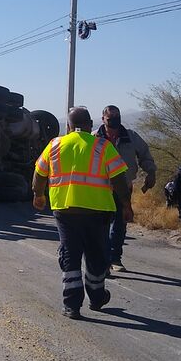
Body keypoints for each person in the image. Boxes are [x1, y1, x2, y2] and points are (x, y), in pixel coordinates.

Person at [32, 107, 130, 319]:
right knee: (97, 255)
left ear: (68, 126)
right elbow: (119, 179)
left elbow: (39, 173)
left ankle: (72, 306)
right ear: (91, 125)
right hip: (98, 211)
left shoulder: (55, 145)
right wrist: (126, 204)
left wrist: (38, 195)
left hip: (65, 211)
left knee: (70, 255)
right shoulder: (103, 146)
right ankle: (96, 298)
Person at [95, 105, 158, 271]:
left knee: (120, 224)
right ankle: (103, 259)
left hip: (124, 187)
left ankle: (115, 259)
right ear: (103, 119)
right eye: (110, 118)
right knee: (100, 225)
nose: (115, 121)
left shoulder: (130, 137)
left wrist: (151, 172)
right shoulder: (95, 138)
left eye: (117, 117)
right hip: (100, 188)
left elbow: (144, 154)